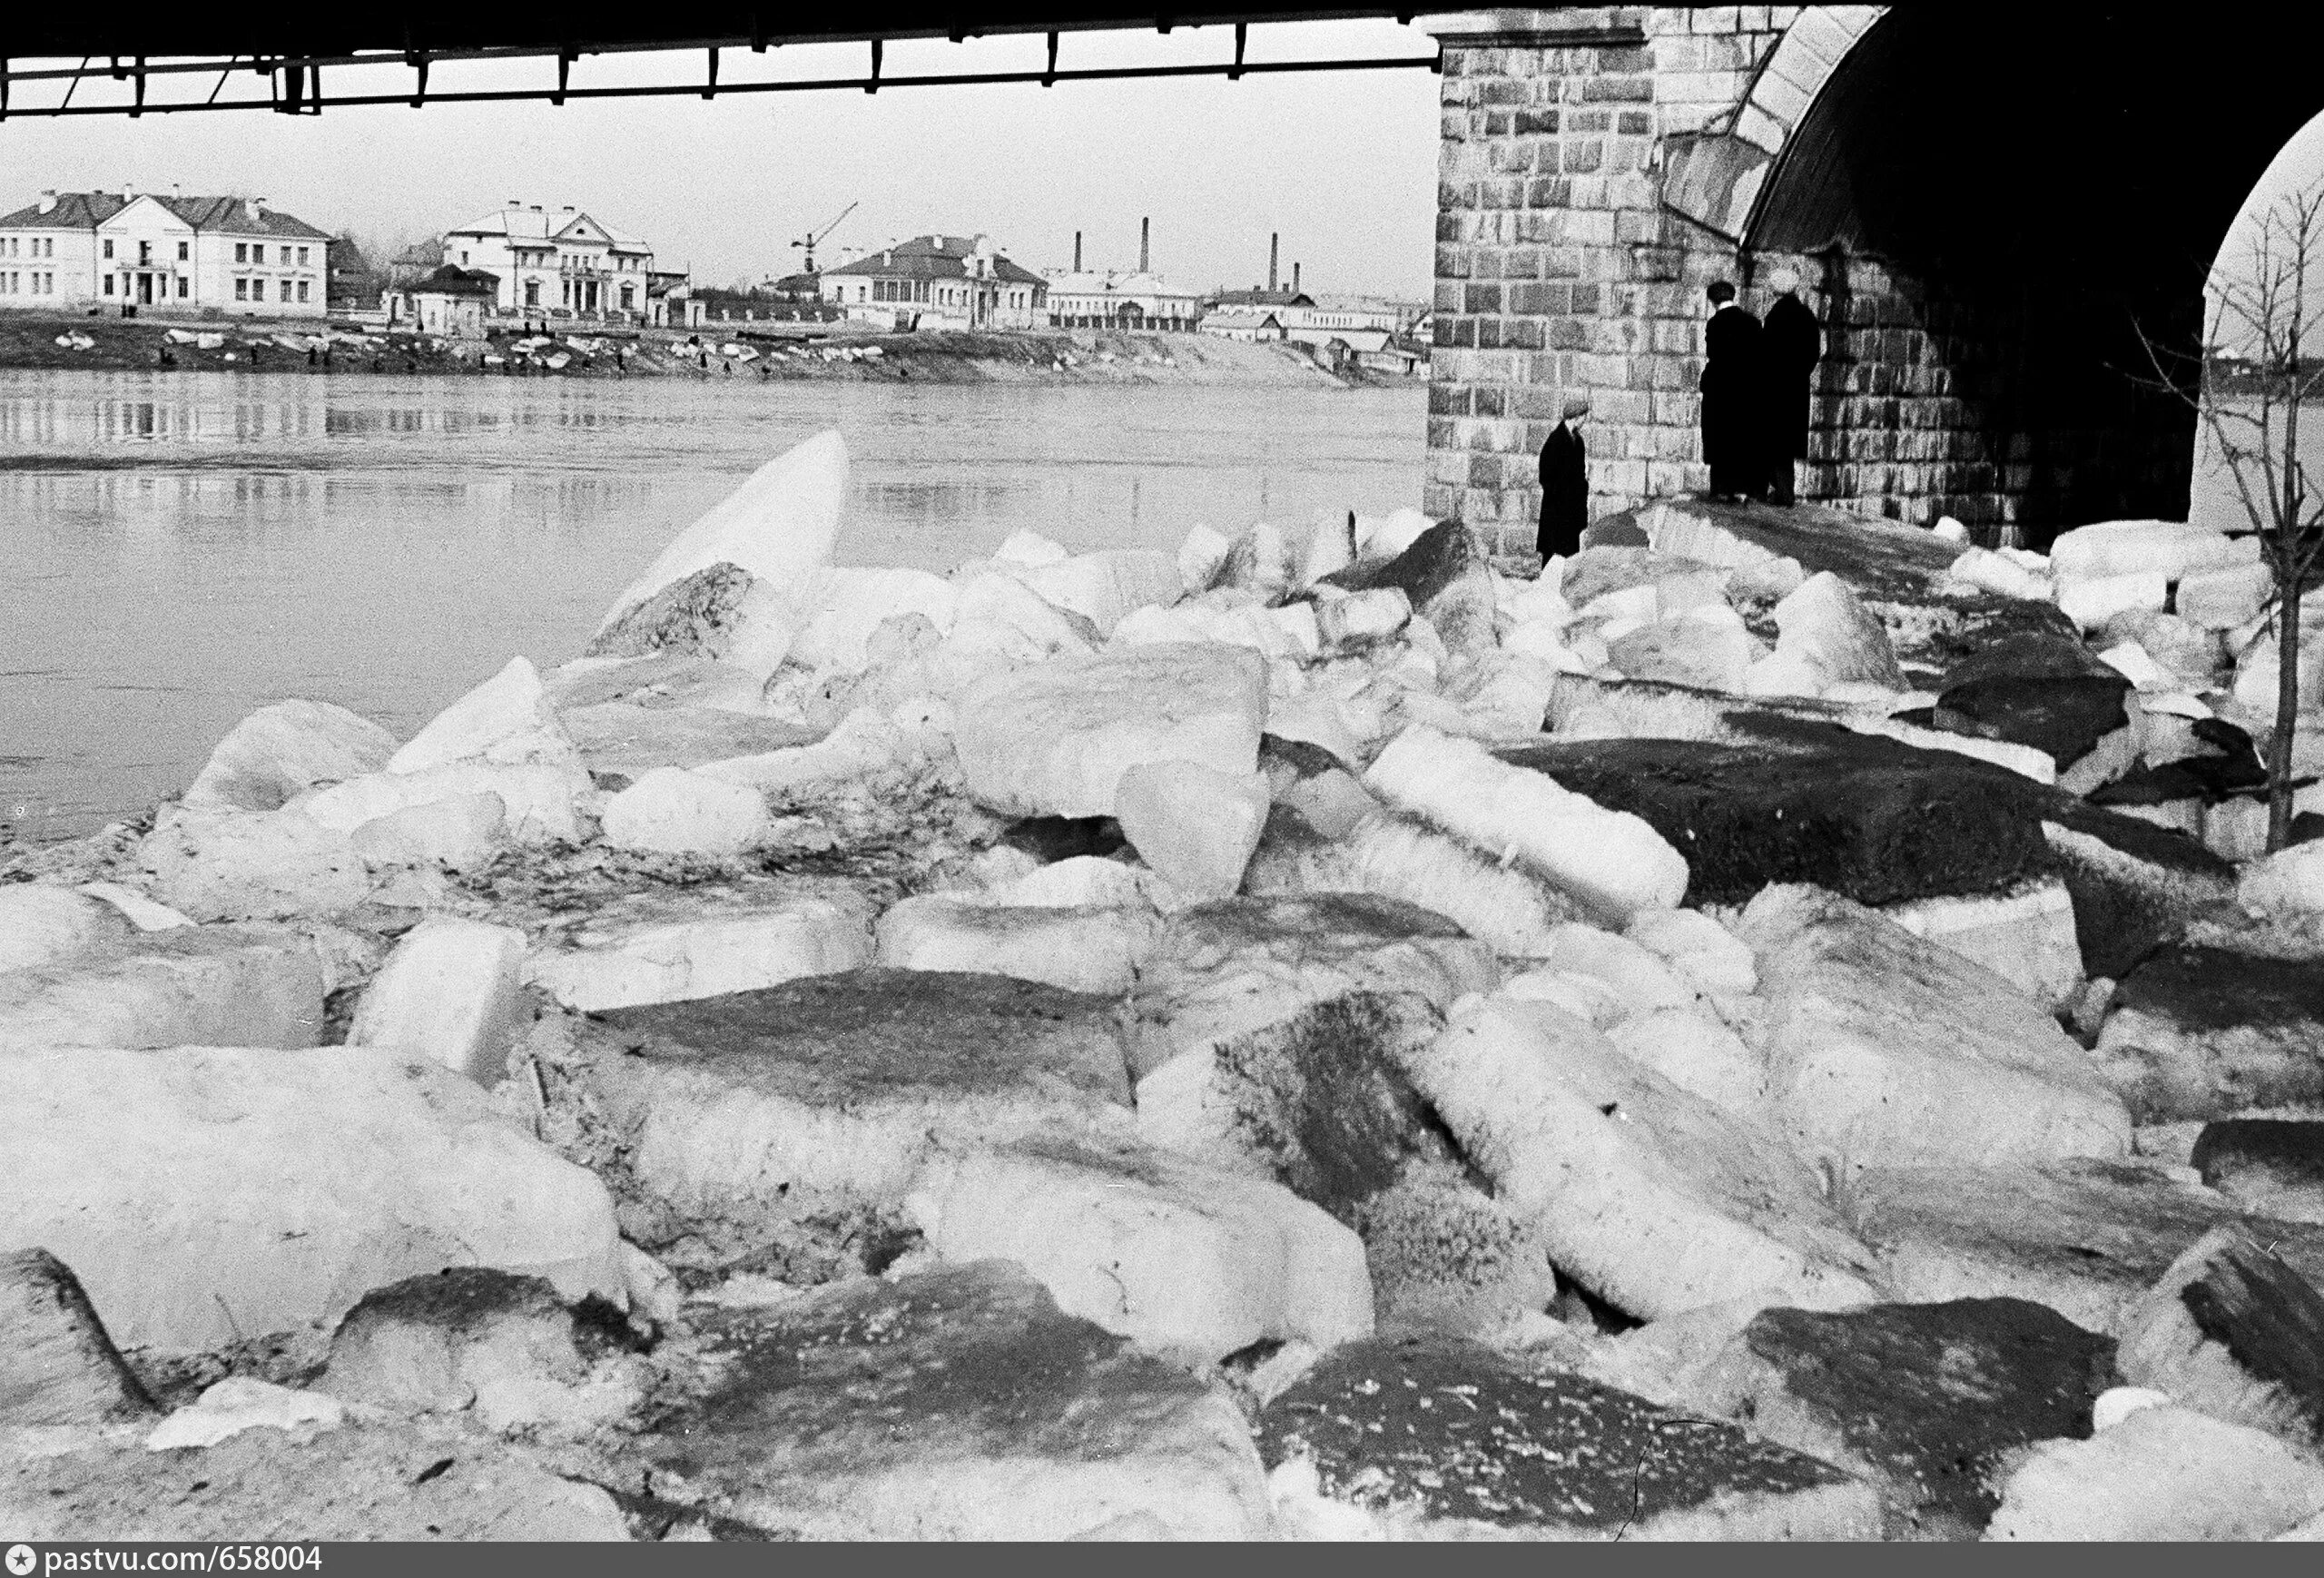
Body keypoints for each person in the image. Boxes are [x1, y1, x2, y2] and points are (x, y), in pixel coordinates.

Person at [1758, 267, 1822, 507]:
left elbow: (1767, 354)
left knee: (1773, 440)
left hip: (1775, 387)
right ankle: (1781, 491)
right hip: (1797, 388)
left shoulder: (1776, 316)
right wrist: (1800, 373)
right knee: (1785, 443)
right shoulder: (1806, 315)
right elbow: (1814, 352)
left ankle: (1782, 493)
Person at [1699, 281, 1762, 502]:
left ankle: (1721, 488)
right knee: (1742, 437)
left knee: (1720, 437)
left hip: (1721, 391)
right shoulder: (1752, 323)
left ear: (1713, 300)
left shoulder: (1715, 324)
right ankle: (1743, 488)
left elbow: (1714, 355)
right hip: (1747, 391)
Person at [1536, 395, 1590, 562]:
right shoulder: (1555, 441)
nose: (1584, 421)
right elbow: (1545, 475)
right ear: (1576, 417)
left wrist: (1581, 490)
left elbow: (1580, 474)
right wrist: (1561, 495)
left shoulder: (1578, 442)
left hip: (1573, 510)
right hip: (1557, 510)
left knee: (1570, 554)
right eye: (1583, 417)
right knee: (1553, 552)